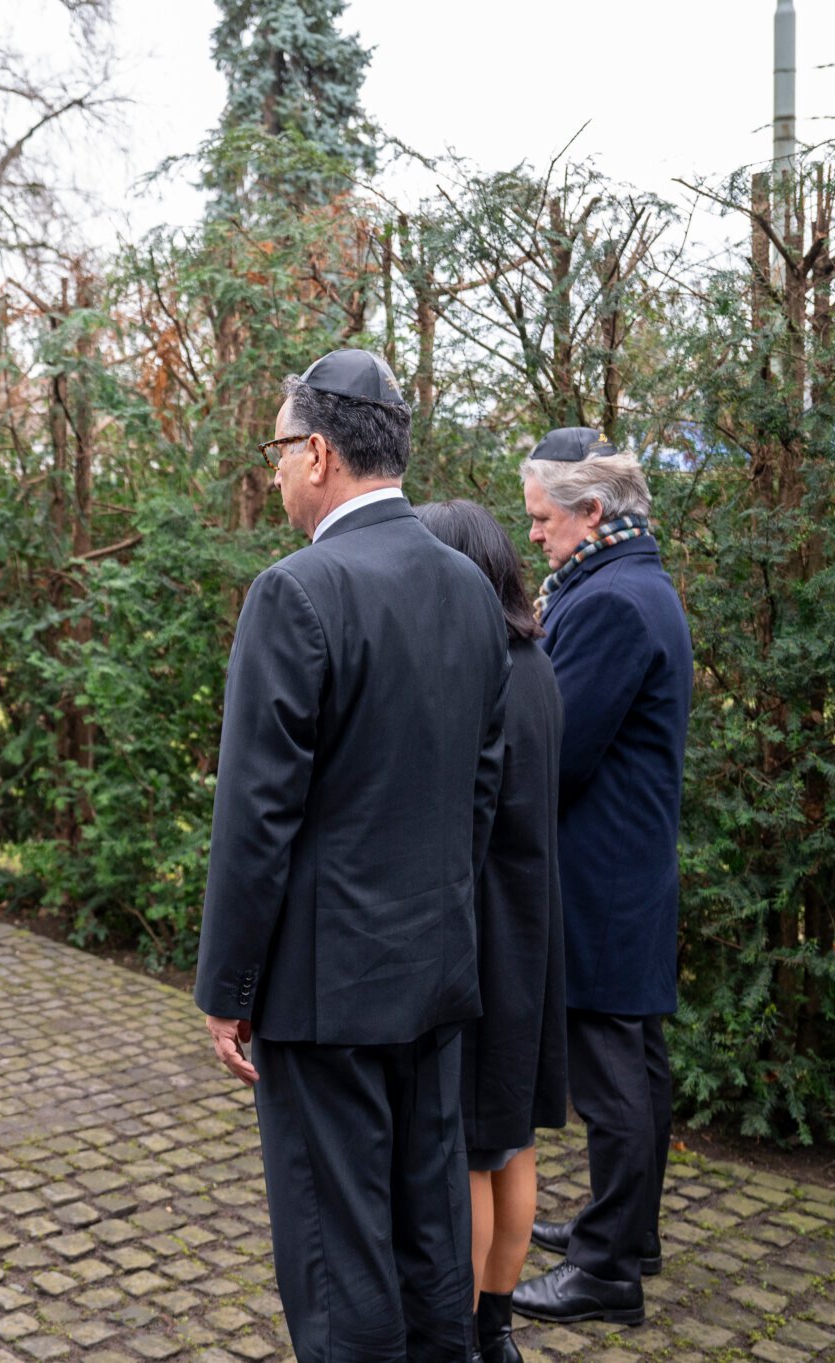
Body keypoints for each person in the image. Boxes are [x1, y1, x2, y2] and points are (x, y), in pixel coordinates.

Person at [197, 348, 510, 1363]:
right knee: (426, 1229)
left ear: (320, 451)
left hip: (324, 990)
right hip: (434, 972)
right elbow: (481, 787)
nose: (275, 470)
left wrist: (227, 985)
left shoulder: (296, 591)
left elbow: (256, 814)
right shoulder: (470, 585)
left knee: (336, 1259)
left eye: (280, 449)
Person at [510, 428, 693, 1328]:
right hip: (626, 867)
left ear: (590, 511)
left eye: (543, 519)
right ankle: (627, 1230)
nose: (533, 535)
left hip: (600, 876)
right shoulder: (629, 582)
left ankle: (607, 1272)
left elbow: (558, 748)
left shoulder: (612, 602)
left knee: (613, 1081)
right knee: (639, 1068)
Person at [414, 500, 567, 1363]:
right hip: (532, 934)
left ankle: (463, 1338)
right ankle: (497, 1327)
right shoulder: (537, 660)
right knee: (510, 1139)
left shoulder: (480, 673)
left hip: (483, 937)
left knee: (471, 1150)